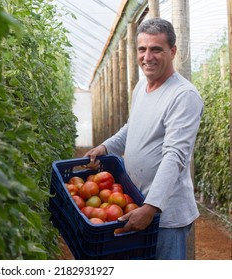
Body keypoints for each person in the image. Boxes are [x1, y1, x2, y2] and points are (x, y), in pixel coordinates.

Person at [84, 18, 203, 260]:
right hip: (136, 204)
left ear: (172, 51)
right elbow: (132, 128)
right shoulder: (141, 87)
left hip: (165, 216)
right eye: (142, 49)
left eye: (156, 49)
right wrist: (105, 146)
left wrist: (152, 207)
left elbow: (175, 156)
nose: (147, 56)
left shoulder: (183, 96)